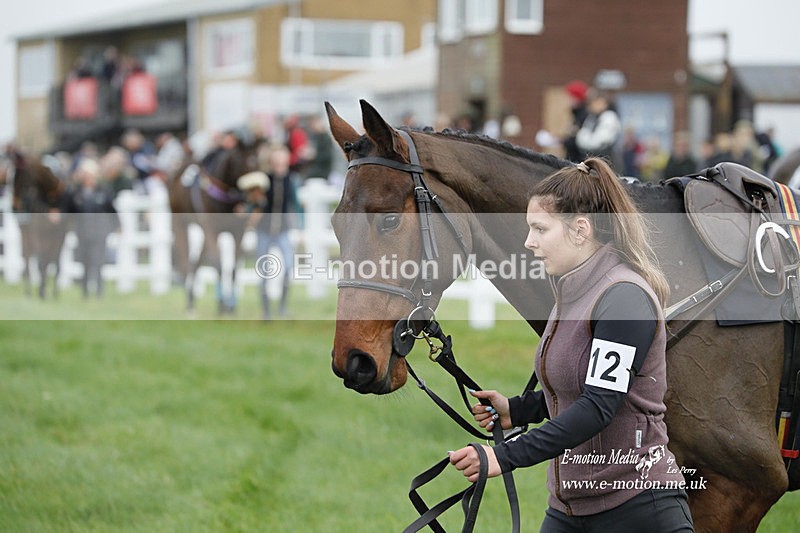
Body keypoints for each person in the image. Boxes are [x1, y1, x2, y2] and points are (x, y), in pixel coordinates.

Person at [449, 157, 693, 532]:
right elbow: (577, 384)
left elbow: (599, 405)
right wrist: (518, 409)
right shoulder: (572, 291)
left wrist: (503, 456)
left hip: (640, 509)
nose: (528, 242)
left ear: (580, 230)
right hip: (570, 510)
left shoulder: (623, 298)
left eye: (539, 229)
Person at [244, 144, 299, 319]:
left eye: (282, 160)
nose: (279, 164)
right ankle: (266, 311)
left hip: (282, 230)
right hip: (264, 231)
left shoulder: (291, 180)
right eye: (276, 160)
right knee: (264, 271)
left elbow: (295, 205)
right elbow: (252, 203)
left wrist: (299, 227)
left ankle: (282, 307)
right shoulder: (263, 180)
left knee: (289, 266)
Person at [63, 159, 119, 299]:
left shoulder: (104, 191)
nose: (88, 178)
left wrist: (117, 226)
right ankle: (85, 293)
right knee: (85, 262)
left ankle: (99, 292)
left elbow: (111, 210)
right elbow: (68, 211)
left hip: (99, 232)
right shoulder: (75, 193)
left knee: (98, 261)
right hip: (82, 232)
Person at [575, 91, 622, 165]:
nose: (595, 106)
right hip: (592, 159)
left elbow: (599, 142)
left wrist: (586, 141)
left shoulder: (609, 117)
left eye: (599, 103)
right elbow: (580, 140)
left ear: (605, 104)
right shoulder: (591, 118)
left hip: (608, 161)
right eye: (593, 103)